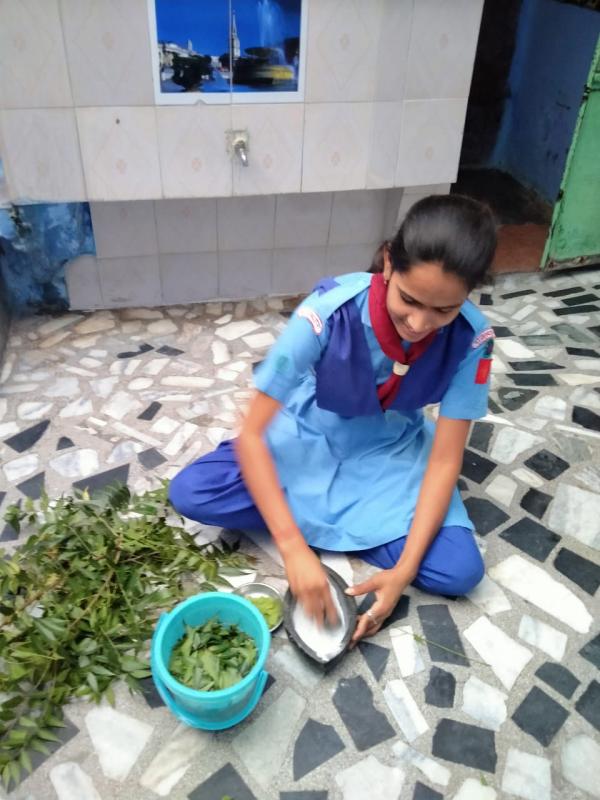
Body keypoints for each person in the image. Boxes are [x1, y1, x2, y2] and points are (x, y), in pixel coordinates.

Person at [169, 194, 497, 646]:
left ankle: (304, 512)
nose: (420, 323)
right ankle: (319, 521)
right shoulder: (325, 312)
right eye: (410, 299)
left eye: (443, 309)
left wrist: (401, 574)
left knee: (459, 570)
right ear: (388, 264)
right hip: (308, 433)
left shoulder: (472, 339)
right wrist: (293, 551)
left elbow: (444, 463)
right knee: (192, 492)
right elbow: (251, 435)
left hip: (389, 452)